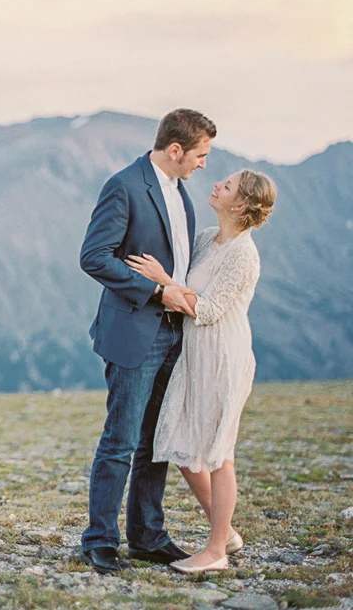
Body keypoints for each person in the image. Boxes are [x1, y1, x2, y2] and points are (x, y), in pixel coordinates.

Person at [79, 108, 216, 575]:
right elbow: (94, 257)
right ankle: (99, 539)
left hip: (175, 333)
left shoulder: (183, 193)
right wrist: (158, 291)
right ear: (175, 150)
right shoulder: (124, 185)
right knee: (120, 440)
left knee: (156, 442)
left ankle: (147, 537)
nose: (204, 164)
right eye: (200, 155)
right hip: (136, 331)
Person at [125, 169, 276, 574]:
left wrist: (161, 281)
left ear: (240, 204)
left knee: (217, 453)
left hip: (222, 355)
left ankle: (215, 552)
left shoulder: (243, 253)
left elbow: (207, 310)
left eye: (225, 186)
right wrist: (167, 285)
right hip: (194, 353)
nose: (215, 185)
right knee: (180, 440)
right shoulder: (209, 237)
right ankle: (223, 530)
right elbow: (186, 291)